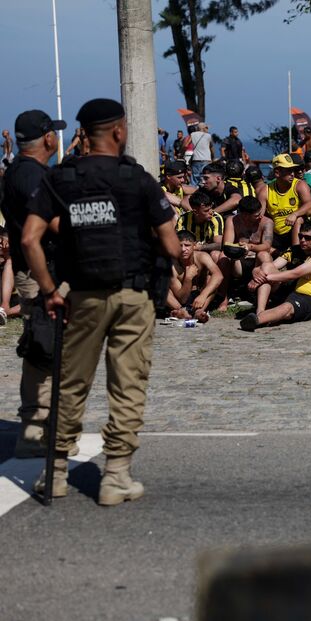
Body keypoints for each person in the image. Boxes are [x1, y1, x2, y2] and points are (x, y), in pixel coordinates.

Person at [20, 98, 181, 503]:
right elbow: (172, 245)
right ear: (119, 131)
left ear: (84, 134)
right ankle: (115, 477)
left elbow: (29, 238)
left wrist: (50, 290)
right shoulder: (138, 179)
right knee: (127, 385)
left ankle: (55, 474)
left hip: (83, 295)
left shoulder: (61, 178)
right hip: (133, 295)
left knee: (72, 382)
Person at [0, 109, 66, 458]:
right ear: (47, 138)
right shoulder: (28, 175)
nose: (57, 137)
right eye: (53, 132)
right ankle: (33, 429)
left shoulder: (32, 172)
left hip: (47, 269)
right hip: (39, 272)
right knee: (43, 347)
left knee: (51, 346)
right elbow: (50, 224)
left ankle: (43, 424)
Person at [239, 220, 311, 331]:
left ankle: (257, 320)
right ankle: (260, 311)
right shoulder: (294, 250)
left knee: (287, 308)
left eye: (307, 238)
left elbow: (295, 273)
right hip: (291, 290)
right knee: (266, 267)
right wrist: (256, 271)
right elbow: (271, 266)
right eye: (300, 236)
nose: (302, 240)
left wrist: (263, 278)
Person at [167, 230, 223, 322]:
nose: (183, 249)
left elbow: (219, 275)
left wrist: (203, 296)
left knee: (211, 279)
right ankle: (181, 311)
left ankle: (199, 311)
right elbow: (182, 298)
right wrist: (188, 279)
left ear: (194, 246)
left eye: (187, 245)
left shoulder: (202, 257)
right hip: (179, 300)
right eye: (179, 245)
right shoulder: (172, 266)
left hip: (200, 296)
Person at [266, 153, 311, 252]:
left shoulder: (300, 185)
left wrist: (295, 214)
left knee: (299, 219)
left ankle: (296, 254)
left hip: (296, 229)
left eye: (293, 170)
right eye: (288, 171)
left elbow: (310, 203)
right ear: (277, 173)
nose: (292, 173)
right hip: (275, 232)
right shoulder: (266, 190)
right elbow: (260, 214)